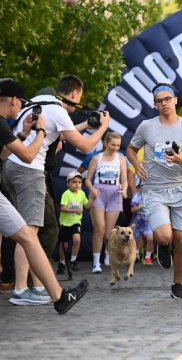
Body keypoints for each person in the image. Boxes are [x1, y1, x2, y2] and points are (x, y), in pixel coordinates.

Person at [4, 75, 109, 306]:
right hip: (29, 171)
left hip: (11, 167)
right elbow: (83, 146)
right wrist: (103, 129)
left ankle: (35, 286)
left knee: (26, 230)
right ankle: (22, 290)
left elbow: (58, 133)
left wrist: (83, 126)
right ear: (75, 94)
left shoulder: (36, 102)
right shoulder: (58, 110)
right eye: (79, 98)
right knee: (28, 233)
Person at [126, 83, 182, 299]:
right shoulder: (146, 126)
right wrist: (136, 163)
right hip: (154, 189)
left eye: (167, 99)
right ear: (154, 105)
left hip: (181, 189)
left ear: (175, 100)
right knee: (164, 236)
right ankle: (163, 244)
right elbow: (130, 149)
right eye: (159, 101)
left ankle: (178, 284)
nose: (164, 103)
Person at [85, 131, 128, 273]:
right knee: (99, 228)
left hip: (115, 194)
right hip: (99, 194)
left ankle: (108, 255)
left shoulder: (121, 159)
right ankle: (96, 263)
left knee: (109, 233)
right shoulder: (96, 159)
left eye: (118, 145)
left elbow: (124, 180)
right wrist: (92, 189)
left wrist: (124, 190)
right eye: (113, 145)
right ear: (105, 143)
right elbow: (87, 180)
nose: (116, 148)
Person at [57, 171, 92, 274]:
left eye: (80, 182)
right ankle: (62, 262)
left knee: (77, 240)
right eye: (74, 182)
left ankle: (73, 260)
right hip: (65, 223)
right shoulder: (66, 194)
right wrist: (75, 211)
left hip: (76, 222)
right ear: (68, 183)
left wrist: (93, 199)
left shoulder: (82, 194)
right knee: (64, 245)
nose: (77, 184)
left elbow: (87, 206)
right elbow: (63, 208)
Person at [130, 183, 154, 265]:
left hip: (148, 222)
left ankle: (148, 257)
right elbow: (132, 210)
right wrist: (139, 207)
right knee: (137, 240)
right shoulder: (136, 197)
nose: (143, 188)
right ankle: (136, 254)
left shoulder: (152, 196)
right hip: (137, 222)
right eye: (141, 187)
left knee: (150, 239)